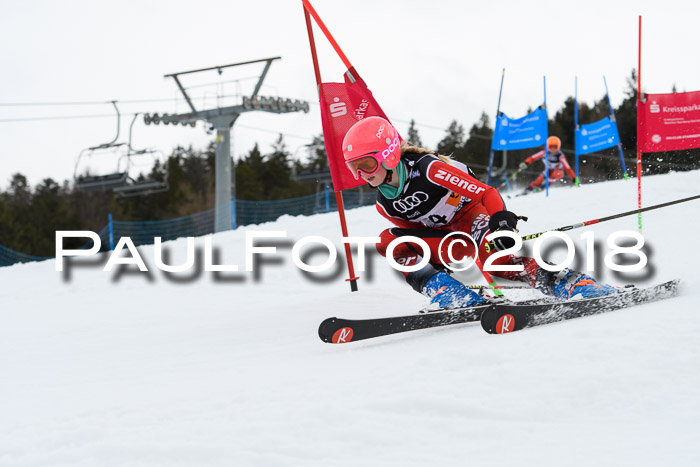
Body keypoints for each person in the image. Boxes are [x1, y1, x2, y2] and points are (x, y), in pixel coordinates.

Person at [342, 116, 616, 309]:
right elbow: (415, 234)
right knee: (388, 241)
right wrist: (434, 264)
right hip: (447, 238)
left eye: (366, 164)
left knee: (498, 263)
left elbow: (486, 193)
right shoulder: (384, 204)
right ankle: (449, 294)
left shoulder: (429, 169)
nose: (361, 175)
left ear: (389, 154)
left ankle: (571, 283)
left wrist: (501, 223)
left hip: (472, 217)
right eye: (354, 168)